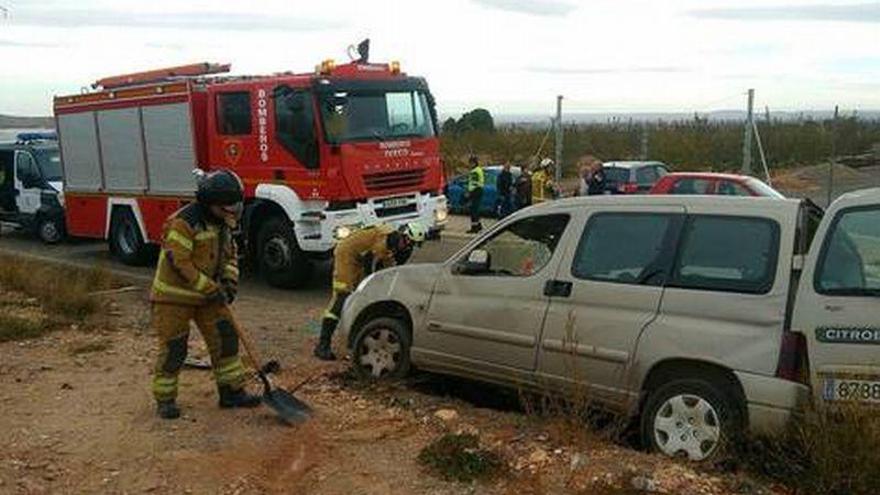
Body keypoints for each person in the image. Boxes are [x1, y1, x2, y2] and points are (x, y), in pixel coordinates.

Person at [150, 169, 260, 420]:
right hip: (173, 298)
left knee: (226, 339)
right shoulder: (183, 222)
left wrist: (230, 282)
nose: (232, 212)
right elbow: (179, 262)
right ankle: (165, 399)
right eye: (227, 207)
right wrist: (208, 287)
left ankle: (231, 393)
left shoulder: (221, 223)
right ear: (211, 203)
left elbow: (230, 255)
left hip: (208, 296)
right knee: (175, 348)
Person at [314, 222, 428, 360]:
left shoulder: (400, 247)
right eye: (408, 242)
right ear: (402, 235)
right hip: (347, 253)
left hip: (360, 257)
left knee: (359, 297)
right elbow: (371, 265)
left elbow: (392, 269)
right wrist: (370, 286)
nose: (408, 246)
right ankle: (322, 345)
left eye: (413, 244)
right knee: (343, 296)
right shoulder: (385, 241)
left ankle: (356, 342)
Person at [466, 156, 485, 233]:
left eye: (470, 163)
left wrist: (469, 193)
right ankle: (478, 226)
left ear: (473, 163)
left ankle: (474, 228)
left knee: (473, 210)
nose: (469, 165)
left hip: (475, 191)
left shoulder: (474, 171)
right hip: (478, 190)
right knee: (476, 209)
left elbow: (474, 183)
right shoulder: (479, 170)